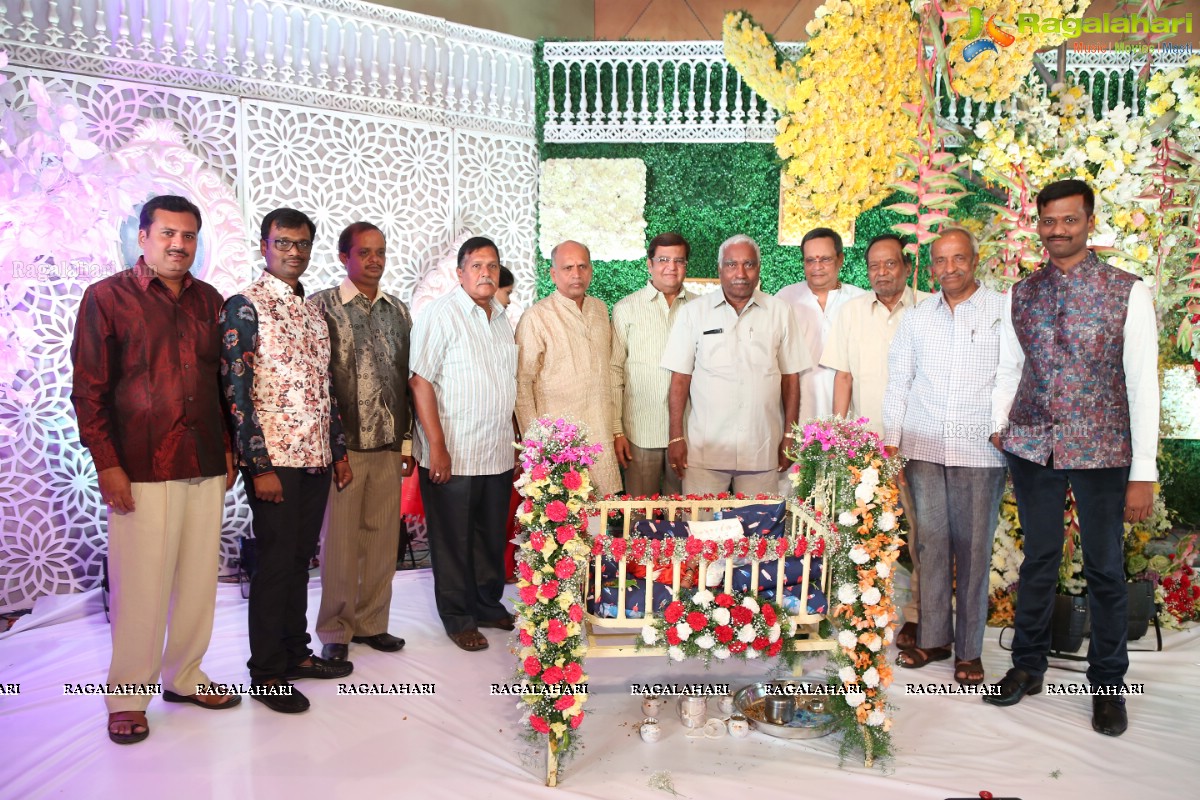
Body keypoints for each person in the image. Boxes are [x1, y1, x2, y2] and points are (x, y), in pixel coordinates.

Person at [984, 179, 1158, 737]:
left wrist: (1143, 472)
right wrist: (999, 423)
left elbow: (1143, 386)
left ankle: (1108, 688)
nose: (1058, 230)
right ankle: (1027, 667)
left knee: (1106, 569)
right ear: (1039, 224)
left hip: (1104, 450)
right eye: (1049, 221)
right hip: (1033, 445)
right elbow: (1011, 368)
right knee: (1039, 560)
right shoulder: (1022, 293)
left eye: (1070, 220)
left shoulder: (1128, 291)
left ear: (1088, 221)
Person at [71, 194, 240, 745]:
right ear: (142, 237)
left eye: (189, 236)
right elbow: (89, 392)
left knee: (197, 581)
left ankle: (185, 676)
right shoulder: (106, 298)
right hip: (140, 466)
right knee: (140, 586)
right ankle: (127, 696)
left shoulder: (209, 300)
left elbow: (222, 384)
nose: (178, 245)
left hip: (205, 459)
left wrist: (232, 448)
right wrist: (108, 466)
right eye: (167, 233)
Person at [220, 208, 354, 713]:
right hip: (275, 462)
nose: (293, 252)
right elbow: (237, 395)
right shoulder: (245, 307)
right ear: (264, 246)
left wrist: (337, 452)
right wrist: (259, 467)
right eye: (283, 243)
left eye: (301, 244)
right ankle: (267, 673)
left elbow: (325, 390)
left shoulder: (313, 313)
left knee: (299, 561)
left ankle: (295, 653)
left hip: (315, 458)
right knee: (275, 566)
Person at [882, 228, 1006, 686]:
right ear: (929, 267)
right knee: (929, 545)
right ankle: (934, 639)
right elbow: (899, 382)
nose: (949, 268)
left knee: (974, 551)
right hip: (925, 446)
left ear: (975, 260)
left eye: (958, 259)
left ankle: (970, 652)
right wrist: (892, 442)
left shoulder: (1002, 311)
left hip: (980, 449)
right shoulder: (916, 319)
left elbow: (1012, 376)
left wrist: (1003, 427)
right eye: (940, 261)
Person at [310, 222, 412, 663]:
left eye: (381, 252)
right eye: (364, 253)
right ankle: (336, 629)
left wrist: (407, 445)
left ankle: (373, 624)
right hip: (343, 448)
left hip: (389, 445)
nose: (374, 260)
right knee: (340, 543)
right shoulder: (321, 308)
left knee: (381, 538)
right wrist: (329, 449)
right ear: (343, 257)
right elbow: (315, 383)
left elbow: (408, 381)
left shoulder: (399, 311)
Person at [409, 236, 517, 652]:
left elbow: (502, 383)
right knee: (453, 541)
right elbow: (420, 380)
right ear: (459, 273)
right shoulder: (441, 313)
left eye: (492, 265)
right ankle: (458, 617)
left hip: (494, 449)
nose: (485, 273)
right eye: (476, 266)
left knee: (490, 536)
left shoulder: (501, 316)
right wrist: (436, 444)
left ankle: (487, 604)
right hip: (453, 450)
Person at [821, 233, 928, 649]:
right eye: (874, 266)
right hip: (866, 448)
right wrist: (837, 434)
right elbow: (843, 375)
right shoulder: (851, 312)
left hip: (918, 445)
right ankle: (856, 611)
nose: (881, 272)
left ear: (905, 266)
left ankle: (919, 618)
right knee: (860, 534)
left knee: (921, 537)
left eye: (890, 264)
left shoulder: (927, 308)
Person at [661, 234, 809, 495]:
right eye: (731, 265)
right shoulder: (694, 313)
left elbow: (790, 378)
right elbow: (680, 379)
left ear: (759, 268)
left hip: (761, 448)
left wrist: (790, 436)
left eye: (748, 264)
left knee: (761, 533)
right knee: (701, 531)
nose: (740, 273)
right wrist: (676, 437)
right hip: (706, 450)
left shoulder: (780, 311)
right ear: (720, 269)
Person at [515, 240, 620, 496]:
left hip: (600, 435)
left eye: (583, 266)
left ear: (591, 270)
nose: (576, 274)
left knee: (602, 523)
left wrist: (617, 430)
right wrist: (537, 444)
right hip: (558, 443)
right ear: (553, 274)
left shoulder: (599, 309)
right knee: (562, 522)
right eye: (568, 267)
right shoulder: (536, 317)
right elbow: (522, 383)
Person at [610, 232, 696, 497]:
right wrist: (616, 430)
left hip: (688, 431)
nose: (671, 267)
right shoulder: (626, 308)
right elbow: (614, 370)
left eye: (679, 260)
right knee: (638, 517)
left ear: (686, 265)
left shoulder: (700, 308)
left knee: (684, 516)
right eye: (663, 259)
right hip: (640, 431)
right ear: (649, 264)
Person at [776, 227, 865, 420]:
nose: (817, 266)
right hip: (796, 411)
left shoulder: (860, 301)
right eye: (810, 260)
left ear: (840, 259)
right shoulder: (785, 299)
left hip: (847, 414)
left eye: (825, 259)